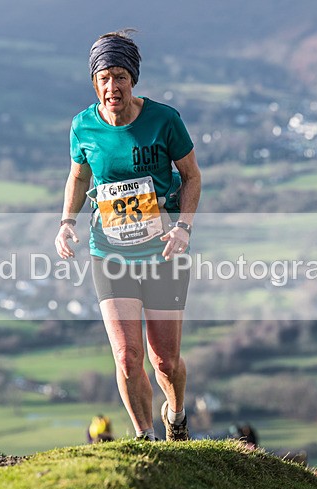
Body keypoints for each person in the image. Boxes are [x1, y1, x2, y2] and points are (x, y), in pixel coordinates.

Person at [55, 30, 202, 442]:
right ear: (93, 82)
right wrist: (66, 222)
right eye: (103, 77)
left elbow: (192, 177)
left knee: (165, 361)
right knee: (126, 356)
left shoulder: (164, 120)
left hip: (164, 252)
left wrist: (183, 228)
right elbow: (78, 176)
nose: (111, 86)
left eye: (119, 76)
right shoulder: (82, 127)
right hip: (109, 251)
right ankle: (145, 439)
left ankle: (176, 418)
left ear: (132, 79)